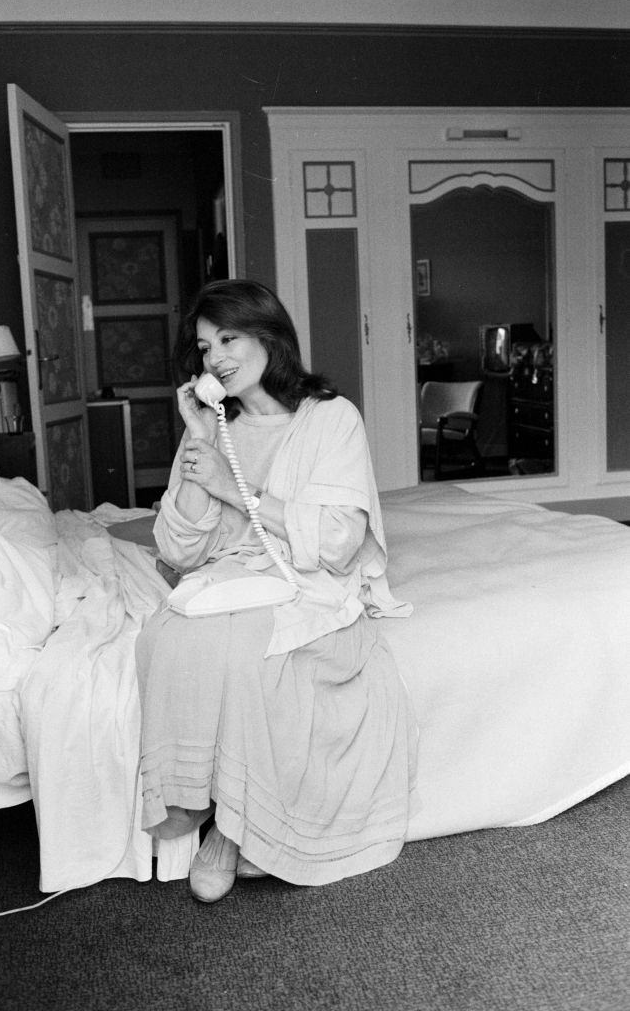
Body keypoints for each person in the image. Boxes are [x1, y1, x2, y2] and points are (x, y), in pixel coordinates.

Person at [135, 279, 416, 903]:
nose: (216, 359)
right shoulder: (215, 427)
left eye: (228, 338)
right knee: (169, 632)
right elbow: (179, 550)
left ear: (268, 335)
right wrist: (200, 439)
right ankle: (222, 813)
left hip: (307, 582)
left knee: (246, 651)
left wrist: (234, 489)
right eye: (205, 348)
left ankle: (232, 831)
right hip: (235, 577)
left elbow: (340, 540)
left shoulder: (332, 419)